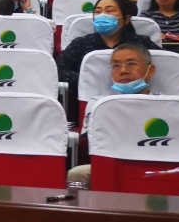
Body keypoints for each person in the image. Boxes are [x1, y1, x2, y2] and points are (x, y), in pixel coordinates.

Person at [66, 43, 157, 188]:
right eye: (116, 66)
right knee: (77, 174)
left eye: (131, 64)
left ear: (150, 70)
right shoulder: (98, 104)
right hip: (113, 163)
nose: (123, 71)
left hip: (156, 163)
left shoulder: (166, 104)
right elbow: (94, 141)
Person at [57, 0, 157, 97]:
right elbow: (59, 71)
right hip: (91, 97)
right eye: (97, 12)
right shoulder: (80, 44)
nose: (102, 15)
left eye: (109, 11)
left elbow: (164, 65)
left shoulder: (142, 42)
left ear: (126, 19)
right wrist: (90, 79)